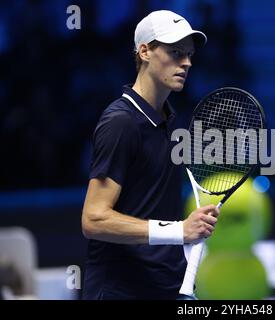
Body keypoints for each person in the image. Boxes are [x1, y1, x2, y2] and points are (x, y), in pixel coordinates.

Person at [81, 10, 220, 300]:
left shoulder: (169, 119)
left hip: (166, 288)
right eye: (175, 52)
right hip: (120, 291)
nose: (187, 62)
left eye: (189, 54)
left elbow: (150, 208)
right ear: (144, 51)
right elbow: (93, 220)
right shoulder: (121, 122)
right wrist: (179, 230)